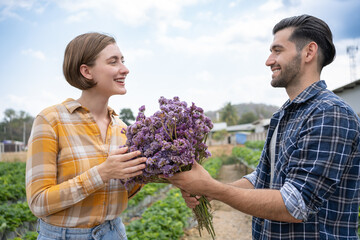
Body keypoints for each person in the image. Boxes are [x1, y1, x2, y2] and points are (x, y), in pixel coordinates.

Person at [167, 15, 360, 239]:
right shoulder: (283, 114)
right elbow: (262, 178)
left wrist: (213, 188)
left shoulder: (329, 113)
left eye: (278, 50)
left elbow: (296, 204)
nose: (269, 60)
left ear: (309, 52)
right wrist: (209, 191)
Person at [26, 32, 147, 240]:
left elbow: (123, 192)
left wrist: (156, 173)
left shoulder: (123, 129)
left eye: (123, 61)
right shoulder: (51, 120)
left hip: (114, 233)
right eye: (113, 62)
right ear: (86, 71)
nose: (125, 69)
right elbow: (38, 201)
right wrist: (102, 173)